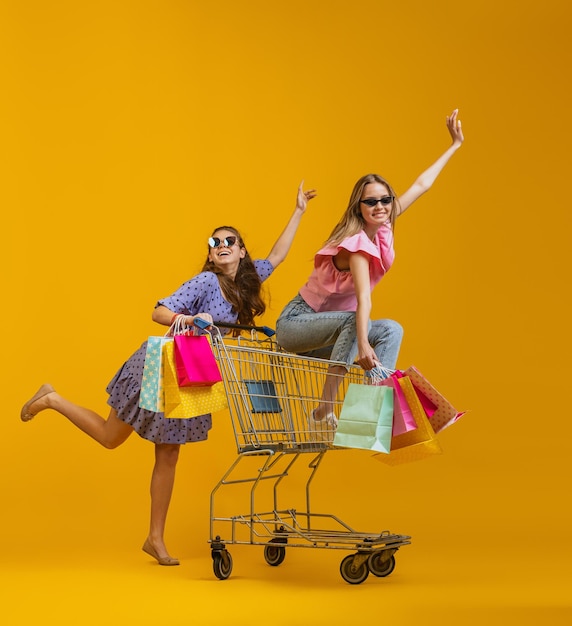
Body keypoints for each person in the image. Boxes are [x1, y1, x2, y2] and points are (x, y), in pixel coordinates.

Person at [20, 182, 316, 565]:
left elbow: (277, 255)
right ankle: (53, 398)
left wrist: (298, 211)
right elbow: (159, 311)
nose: (221, 244)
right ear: (211, 256)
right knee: (111, 439)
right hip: (162, 365)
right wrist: (191, 318)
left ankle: (154, 538)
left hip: (194, 375)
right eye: (215, 242)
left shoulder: (247, 283)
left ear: (242, 252)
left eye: (230, 240)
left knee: (169, 454)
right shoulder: (206, 281)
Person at [276, 109, 464, 440]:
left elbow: (422, 185)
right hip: (297, 325)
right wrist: (363, 344)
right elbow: (363, 298)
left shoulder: (386, 225)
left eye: (385, 200)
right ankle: (326, 406)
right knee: (355, 320)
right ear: (358, 208)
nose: (380, 206)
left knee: (391, 329)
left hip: (331, 336)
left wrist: (454, 145)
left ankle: (370, 415)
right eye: (371, 202)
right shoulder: (356, 245)